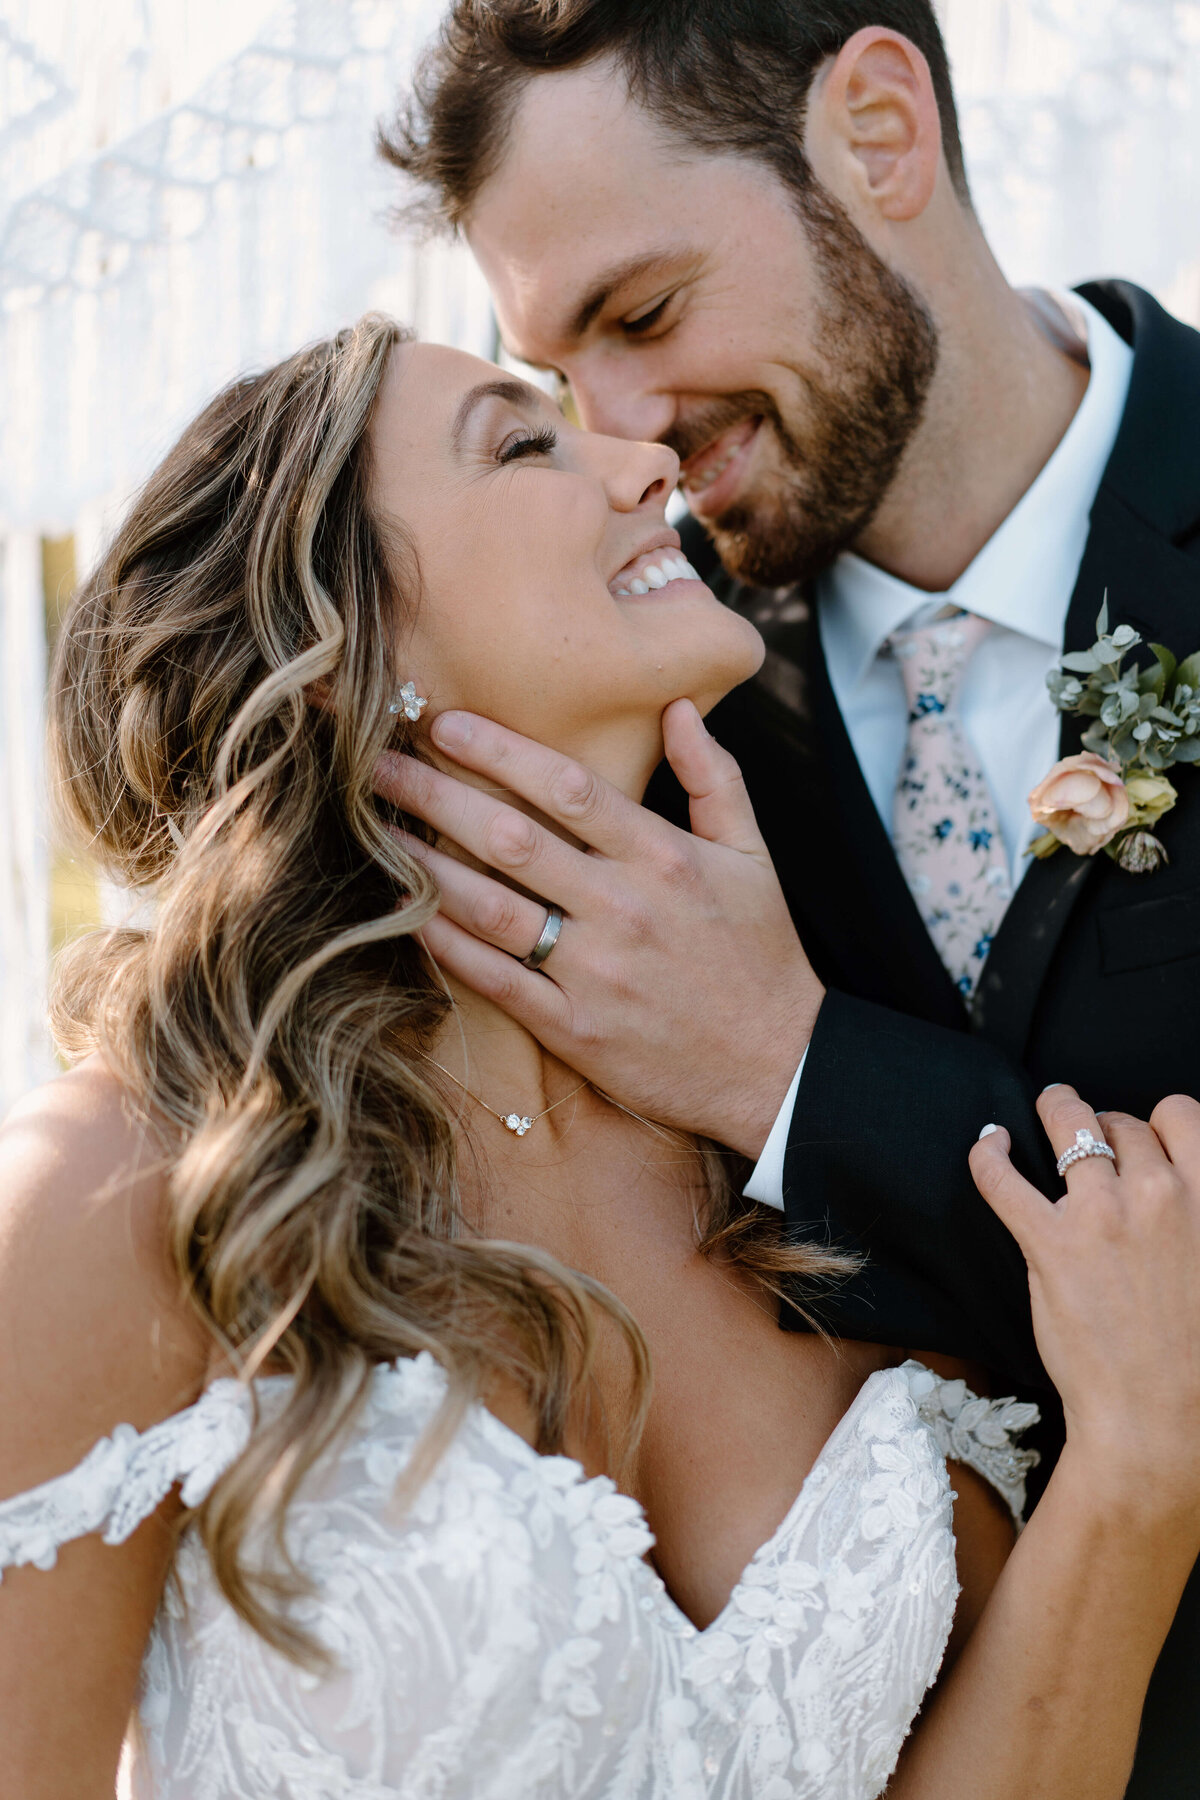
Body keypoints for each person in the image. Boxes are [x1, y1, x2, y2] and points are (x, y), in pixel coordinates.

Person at [0, 317, 1197, 1799]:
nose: (648, 465)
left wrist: (1145, 1476)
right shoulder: (132, 1194)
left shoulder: (797, 1140)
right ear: (332, 656)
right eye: (523, 440)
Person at [377, 6, 1200, 1789]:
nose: (626, 435)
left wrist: (795, 1073)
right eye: (549, 377)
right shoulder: (638, 699)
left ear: (882, 132)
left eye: (644, 314)